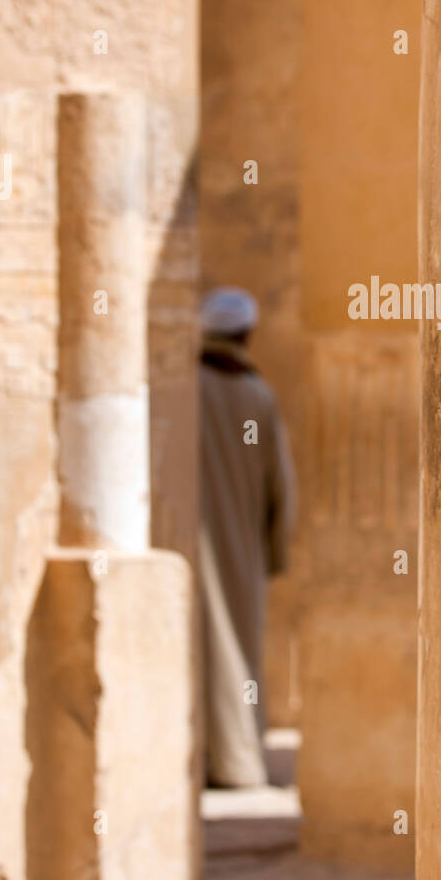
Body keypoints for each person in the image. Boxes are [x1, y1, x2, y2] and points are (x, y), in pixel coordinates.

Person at [198, 286, 296, 787]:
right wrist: (275, 551)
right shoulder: (257, 396)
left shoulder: (181, 386)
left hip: (184, 541)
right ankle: (235, 762)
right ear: (246, 334)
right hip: (239, 545)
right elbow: (280, 483)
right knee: (236, 650)